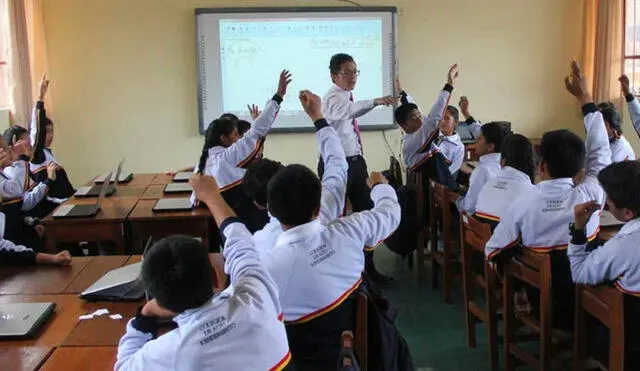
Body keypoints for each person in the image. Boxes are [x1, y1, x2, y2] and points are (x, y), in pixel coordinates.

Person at [261, 89, 401, 370]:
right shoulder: (349, 230)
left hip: (293, 358)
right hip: (348, 349)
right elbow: (340, 169)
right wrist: (382, 187)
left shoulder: (263, 264)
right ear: (316, 206)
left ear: (270, 211)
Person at [115, 174, 292, 371]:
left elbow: (124, 366)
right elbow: (240, 243)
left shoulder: (171, 352)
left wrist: (145, 316)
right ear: (216, 277)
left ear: (162, 302)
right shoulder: (258, 294)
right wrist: (212, 196)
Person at [484, 61, 611, 330]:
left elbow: (493, 250)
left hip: (543, 308)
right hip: (589, 310)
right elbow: (601, 150)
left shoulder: (523, 203)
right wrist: (584, 97)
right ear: (580, 169)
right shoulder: (590, 195)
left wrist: (516, 281)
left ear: (541, 166)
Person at [321, 53, 396, 283]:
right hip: (336, 165)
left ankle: (368, 270)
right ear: (334, 76)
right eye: (347, 72)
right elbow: (349, 111)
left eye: (355, 71)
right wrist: (375, 101)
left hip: (355, 161)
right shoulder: (333, 99)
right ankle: (341, 273)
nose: (353, 76)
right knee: (335, 217)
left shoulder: (346, 95)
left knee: (365, 212)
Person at [191, 70, 292, 235]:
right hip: (246, 221)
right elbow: (257, 131)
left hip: (220, 223)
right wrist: (279, 95)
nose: (239, 138)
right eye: (235, 134)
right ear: (224, 138)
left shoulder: (205, 161)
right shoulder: (227, 157)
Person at [243, 102, 348, 257]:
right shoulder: (325, 207)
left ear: (259, 205)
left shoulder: (260, 244)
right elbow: (337, 164)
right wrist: (317, 117)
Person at [569, 161, 640, 369]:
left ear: (627, 213)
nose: (605, 202)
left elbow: (580, 272)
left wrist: (579, 227)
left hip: (632, 343)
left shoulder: (623, 246)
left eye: (608, 198)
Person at [395, 66, 468, 177]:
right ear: (404, 126)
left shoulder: (458, 146)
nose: (420, 118)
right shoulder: (416, 138)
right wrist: (449, 85)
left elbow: (451, 173)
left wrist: (402, 93)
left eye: (447, 118)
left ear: (456, 123)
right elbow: (432, 119)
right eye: (442, 117)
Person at [28, 74, 75, 199]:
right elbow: (37, 131)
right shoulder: (36, 155)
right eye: (46, 132)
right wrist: (40, 97)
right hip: (54, 208)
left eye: (52, 131)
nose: (50, 135)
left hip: (67, 200)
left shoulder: (47, 152)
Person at [475, 134, 536, 226]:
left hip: (480, 238)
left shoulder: (487, 185)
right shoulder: (530, 192)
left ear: (502, 160)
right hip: (507, 239)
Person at [455, 122, 509, 214]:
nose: (475, 141)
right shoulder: (506, 165)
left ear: (490, 146)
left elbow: (469, 207)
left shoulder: (482, 170)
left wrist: (457, 201)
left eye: (479, 138)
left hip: (480, 223)